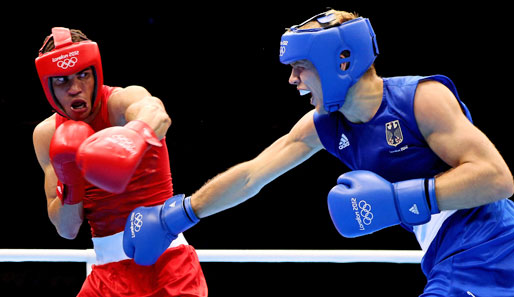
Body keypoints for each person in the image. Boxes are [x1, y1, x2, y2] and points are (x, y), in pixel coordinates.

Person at [123, 9, 514, 296]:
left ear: (341, 62)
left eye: (301, 68)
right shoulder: (324, 124)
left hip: (492, 247)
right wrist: (178, 215)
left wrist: (398, 201)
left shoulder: (421, 99)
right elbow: (251, 175)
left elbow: (497, 178)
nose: (293, 80)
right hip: (448, 260)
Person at [32, 27, 208, 296]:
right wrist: (70, 180)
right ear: (48, 87)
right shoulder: (47, 135)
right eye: (62, 81)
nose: (76, 88)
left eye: (83, 75)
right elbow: (66, 229)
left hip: (169, 268)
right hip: (105, 274)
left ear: (96, 72)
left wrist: (130, 140)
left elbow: (157, 114)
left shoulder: (121, 102)